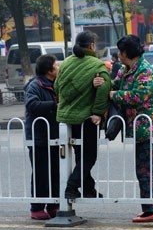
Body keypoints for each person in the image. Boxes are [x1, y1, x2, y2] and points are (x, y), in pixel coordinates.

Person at [110, 34, 153, 223]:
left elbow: (137, 96)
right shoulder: (127, 69)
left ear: (125, 53)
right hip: (139, 128)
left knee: (143, 169)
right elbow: (116, 84)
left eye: (120, 51)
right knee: (148, 168)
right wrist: (103, 84)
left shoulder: (145, 71)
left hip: (148, 128)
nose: (118, 55)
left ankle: (150, 209)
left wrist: (113, 95)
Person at [54, 31, 111, 200]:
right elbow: (103, 89)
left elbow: (57, 87)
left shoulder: (65, 64)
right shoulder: (97, 65)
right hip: (86, 120)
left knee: (81, 155)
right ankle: (71, 187)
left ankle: (88, 189)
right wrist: (98, 112)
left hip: (65, 119)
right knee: (89, 156)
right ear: (92, 46)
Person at [24, 54, 60, 220]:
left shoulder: (56, 84)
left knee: (54, 172)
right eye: (56, 65)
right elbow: (32, 105)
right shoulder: (35, 85)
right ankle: (37, 207)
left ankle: (53, 205)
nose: (59, 68)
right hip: (39, 137)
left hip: (54, 136)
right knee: (40, 173)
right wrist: (55, 105)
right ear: (49, 70)